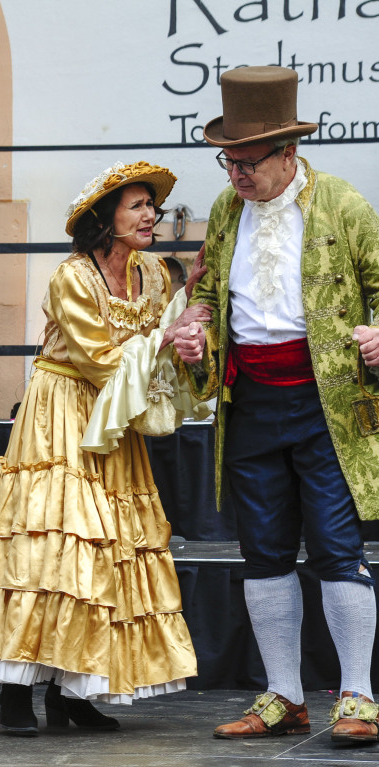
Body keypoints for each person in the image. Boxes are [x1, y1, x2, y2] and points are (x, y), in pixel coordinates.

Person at [0, 161, 205, 735]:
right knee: (46, 549)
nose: (151, 215)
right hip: (62, 415)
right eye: (137, 205)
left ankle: (75, 689)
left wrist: (185, 322)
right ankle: (15, 691)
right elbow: (99, 358)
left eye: (152, 206)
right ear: (105, 217)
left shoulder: (153, 273)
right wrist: (165, 336)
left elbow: (153, 348)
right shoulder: (72, 276)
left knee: (105, 553)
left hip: (113, 422)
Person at [177, 66, 379, 744]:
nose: (234, 172)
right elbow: (207, 294)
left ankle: (356, 696)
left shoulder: (344, 205)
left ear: (287, 154)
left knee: (333, 545)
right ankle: (283, 695)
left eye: (247, 161)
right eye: (226, 159)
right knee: (261, 550)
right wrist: (193, 326)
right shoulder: (228, 209)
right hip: (252, 401)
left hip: (326, 403)